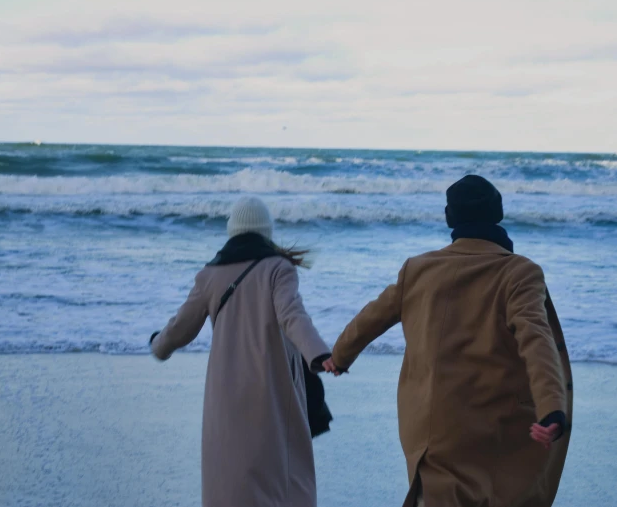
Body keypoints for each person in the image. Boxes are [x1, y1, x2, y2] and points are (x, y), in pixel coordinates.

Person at [323, 175, 573, 507]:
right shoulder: (519, 272)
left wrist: (339, 357)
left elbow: (371, 317)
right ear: (498, 213)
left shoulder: (418, 269)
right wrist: (551, 407)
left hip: (432, 427)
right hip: (495, 428)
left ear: (449, 217)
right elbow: (536, 338)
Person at [151, 196, 331, 507]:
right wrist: (318, 354)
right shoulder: (278, 268)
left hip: (226, 395)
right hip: (271, 390)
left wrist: (159, 346)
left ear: (232, 232)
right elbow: (293, 316)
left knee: (232, 483)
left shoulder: (210, 274)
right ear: (266, 231)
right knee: (283, 480)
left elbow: (181, 327)